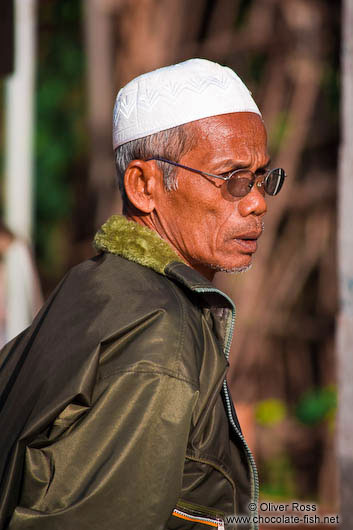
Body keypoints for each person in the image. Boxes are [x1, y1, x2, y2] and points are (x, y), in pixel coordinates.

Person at [0, 59, 286, 529]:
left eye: (261, 177)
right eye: (232, 177)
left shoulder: (92, 286)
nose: (256, 200)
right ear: (143, 185)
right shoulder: (158, 336)